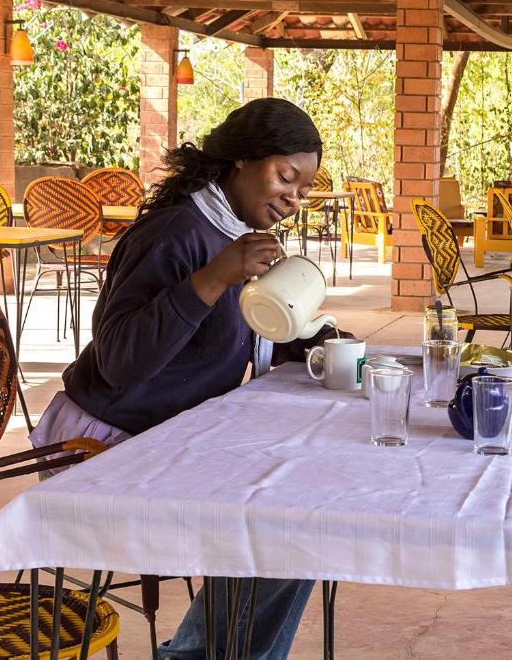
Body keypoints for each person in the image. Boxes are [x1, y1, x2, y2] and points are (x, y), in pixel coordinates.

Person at [30, 98, 343, 659]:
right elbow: (120, 363)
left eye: (303, 189)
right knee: (284, 521)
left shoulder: (229, 228)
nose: (294, 199)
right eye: (285, 178)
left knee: (304, 498)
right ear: (242, 161)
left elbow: (239, 323)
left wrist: (309, 337)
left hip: (165, 429)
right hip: (105, 442)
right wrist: (215, 276)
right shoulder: (176, 234)